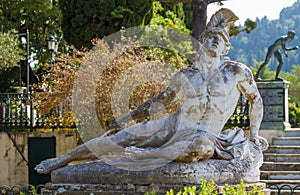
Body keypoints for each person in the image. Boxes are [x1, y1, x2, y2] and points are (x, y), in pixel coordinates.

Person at [35, 8, 268, 174]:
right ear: (202, 42)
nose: (216, 41)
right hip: (174, 125)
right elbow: (161, 101)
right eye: (211, 37)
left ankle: (145, 156)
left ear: (227, 46)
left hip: (207, 135)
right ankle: (63, 159)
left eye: (221, 38)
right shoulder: (186, 75)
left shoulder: (236, 71)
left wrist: (254, 133)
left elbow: (255, 101)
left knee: (200, 148)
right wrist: (125, 118)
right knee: (121, 137)